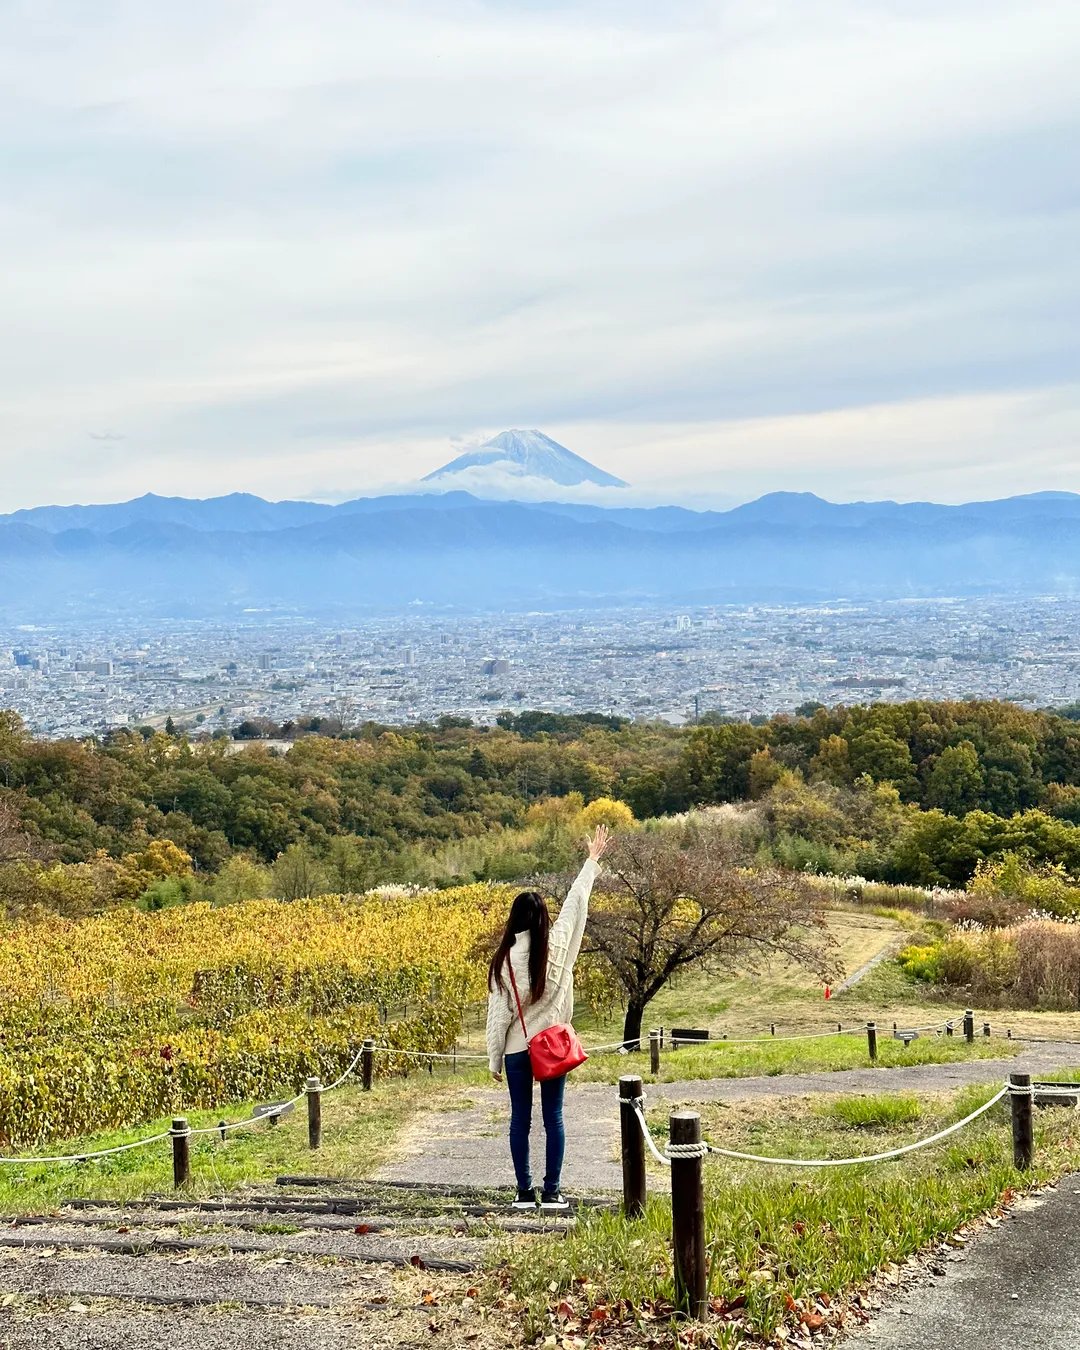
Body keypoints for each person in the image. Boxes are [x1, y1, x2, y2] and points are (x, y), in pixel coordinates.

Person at [486, 824, 611, 1210]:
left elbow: (498, 1016)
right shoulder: (557, 946)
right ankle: (552, 1191)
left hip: (517, 1050)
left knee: (519, 1120)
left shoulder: (506, 959)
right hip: (553, 1045)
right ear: (543, 918)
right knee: (553, 1117)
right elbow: (575, 904)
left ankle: (524, 1193)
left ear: (514, 920)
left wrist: (494, 1059)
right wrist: (590, 861)